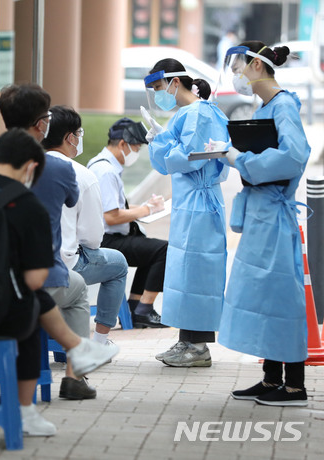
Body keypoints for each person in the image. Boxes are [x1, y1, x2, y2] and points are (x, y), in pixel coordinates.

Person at [0, 128, 116, 435]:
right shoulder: (28, 207)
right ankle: (28, 406)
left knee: (24, 297)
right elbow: (36, 276)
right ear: (31, 168)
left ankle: (77, 349)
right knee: (30, 306)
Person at [0, 84, 98, 400]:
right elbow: (71, 201)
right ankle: (74, 375)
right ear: (41, 124)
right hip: (37, 281)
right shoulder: (60, 168)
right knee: (73, 289)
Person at [207, 42, 311, 406]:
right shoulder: (268, 106)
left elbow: (294, 156)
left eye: (238, 66)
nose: (236, 74)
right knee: (263, 296)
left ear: (255, 65)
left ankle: (295, 385)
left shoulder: (282, 105)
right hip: (261, 213)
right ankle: (271, 378)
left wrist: (240, 159)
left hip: (274, 214)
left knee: (282, 297)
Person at [143, 58, 230, 367]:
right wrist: (159, 141)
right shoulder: (187, 114)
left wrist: (161, 145)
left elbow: (186, 158)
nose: (157, 95)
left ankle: (198, 347)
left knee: (197, 276)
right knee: (184, 275)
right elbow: (168, 158)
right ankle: (186, 341)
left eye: (158, 87)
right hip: (189, 205)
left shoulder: (199, 113)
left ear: (174, 83)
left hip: (200, 205)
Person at [41, 105, 128, 350]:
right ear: (69, 137)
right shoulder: (81, 174)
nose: (79, 139)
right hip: (62, 267)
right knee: (118, 264)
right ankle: (98, 343)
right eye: (79, 134)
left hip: (19, 267)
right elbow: (92, 238)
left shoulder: (22, 168)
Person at [87, 118, 168, 329]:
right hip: (106, 241)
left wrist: (144, 207)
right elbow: (111, 217)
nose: (137, 152)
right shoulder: (106, 171)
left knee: (148, 248)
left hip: (106, 237)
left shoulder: (102, 165)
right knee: (163, 250)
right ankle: (143, 309)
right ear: (123, 144)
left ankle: (136, 307)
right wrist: (147, 210)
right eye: (136, 147)